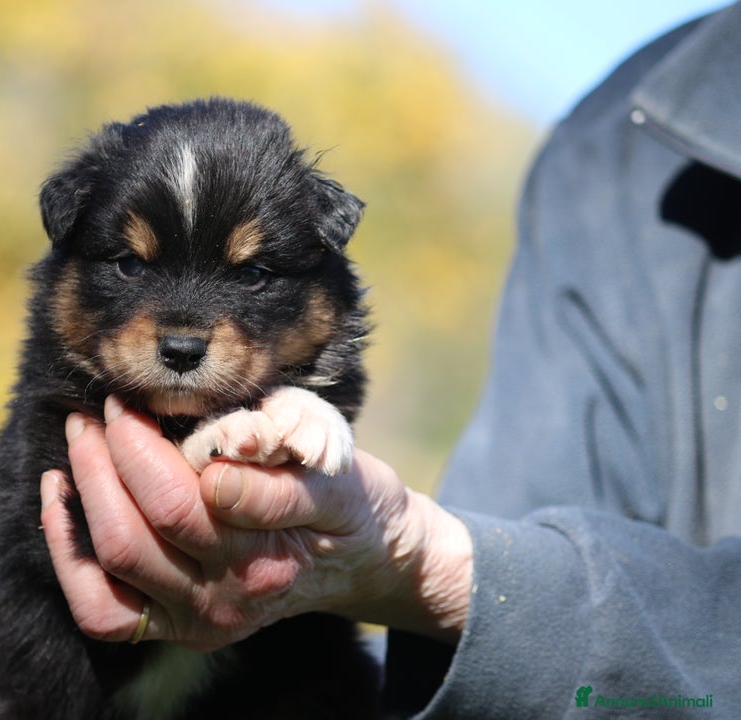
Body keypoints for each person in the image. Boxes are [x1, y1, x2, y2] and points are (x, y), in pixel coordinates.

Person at [40, 3, 741, 716]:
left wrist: (408, 551)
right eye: (130, 265)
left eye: (251, 275)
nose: (182, 333)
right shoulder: (612, 142)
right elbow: (516, 519)